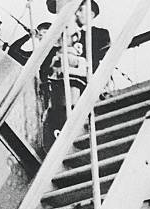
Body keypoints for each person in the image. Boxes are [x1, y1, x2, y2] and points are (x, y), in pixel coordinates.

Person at [43, 0, 111, 150]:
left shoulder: (98, 34)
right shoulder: (63, 35)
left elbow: (102, 56)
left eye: (82, 10)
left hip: (87, 84)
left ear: (91, 14)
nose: (77, 12)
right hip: (64, 84)